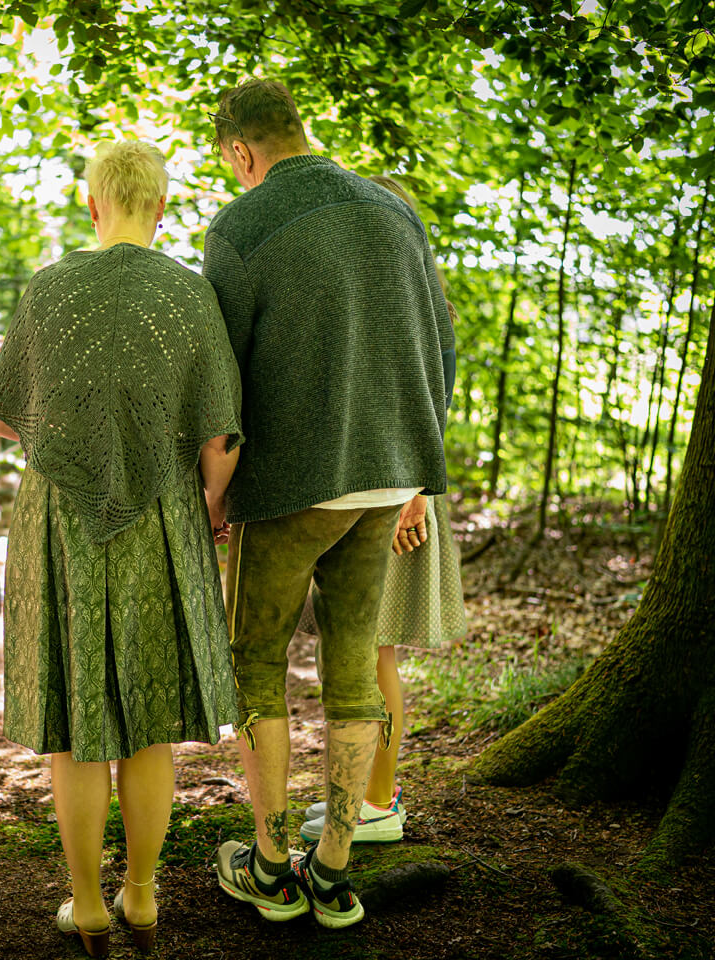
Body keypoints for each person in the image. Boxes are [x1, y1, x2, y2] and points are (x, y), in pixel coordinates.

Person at [0, 140, 243, 957]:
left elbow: (1, 416)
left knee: (77, 724)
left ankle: (87, 905)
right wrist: (210, 503)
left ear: (92, 204)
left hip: (61, 523)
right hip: (164, 519)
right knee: (148, 723)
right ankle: (142, 895)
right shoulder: (188, 294)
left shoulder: (50, 288)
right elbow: (220, 432)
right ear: (160, 206)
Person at [202, 82, 455, 930]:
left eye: (230, 162)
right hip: (388, 476)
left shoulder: (241, 227)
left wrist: (215, 488)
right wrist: (418, 468)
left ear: (242, 152)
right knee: (352, 666)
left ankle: (272, 865)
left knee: (256, 662)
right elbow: (439, 345)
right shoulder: (392, 212)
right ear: (302, 130)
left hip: (289, 488)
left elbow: (219, 382)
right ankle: (336, 870)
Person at [299, 175, 468, 847]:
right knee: (360, 656)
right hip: (379, 496)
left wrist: (415, 494)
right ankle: (367, 796)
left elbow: (433, 409)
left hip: (403, 503)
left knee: (375, 659)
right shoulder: (381, 302)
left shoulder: (421, 307)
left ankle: (377, 804)